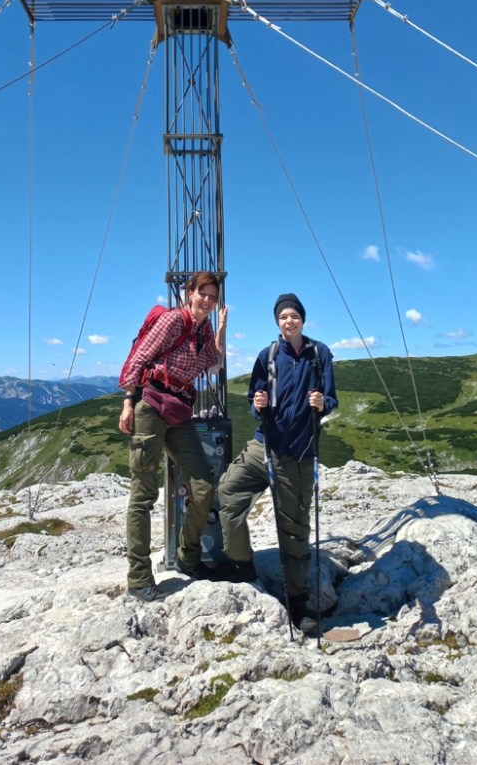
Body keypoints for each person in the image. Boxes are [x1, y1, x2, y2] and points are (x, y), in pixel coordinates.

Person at [218, 293, 337, 634]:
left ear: (303, 319)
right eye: (283, 317)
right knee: (228, 491)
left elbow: (332, 399)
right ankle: (242, 566)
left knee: (294, 531)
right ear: (277, 322)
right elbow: (254, 400)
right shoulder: (267, 356)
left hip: (299, 453)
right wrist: (257, 404)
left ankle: (298, 604)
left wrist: (322, 404)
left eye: (294, 316)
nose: (289, 321)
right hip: (264, 445)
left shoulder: (320, 354)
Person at [119, 271, 228, 602]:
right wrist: (128, 403)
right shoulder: (171, 321)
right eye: (202, 293)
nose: (207, 301)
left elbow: (213, 364)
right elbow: (138, 359)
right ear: (189, 293)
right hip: (150, 406)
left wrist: (221, 329)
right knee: (143, 494)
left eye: (212, 296)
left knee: (203, 488)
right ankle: (139, 579)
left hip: (179, 412)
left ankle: (187, 558)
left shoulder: (203, 331)